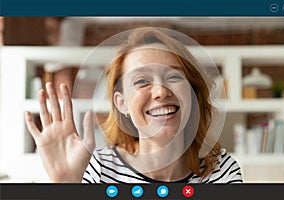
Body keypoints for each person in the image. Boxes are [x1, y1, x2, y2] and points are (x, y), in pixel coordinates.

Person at [25, 27, 243, 183]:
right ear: (122, 104)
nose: (160, 91)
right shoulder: (99, 170)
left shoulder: (221, 171)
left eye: (174, 76)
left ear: (193, 93)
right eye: (141, 81)